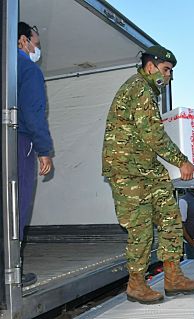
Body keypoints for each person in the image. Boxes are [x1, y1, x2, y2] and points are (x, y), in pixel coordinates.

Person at [102, 45, 194, 304]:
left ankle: (173, 277)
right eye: (166, 69)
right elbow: (153, 134)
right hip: (128, 171)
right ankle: (136, 284)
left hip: (147, 169)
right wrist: (182, 161)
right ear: (151, 67)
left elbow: (150, 137)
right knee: (141, 228)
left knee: (171, 218)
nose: (169, 75)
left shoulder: (148, 90)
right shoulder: (140, 87)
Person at [17, 22, 54, 286]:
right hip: (19, 142)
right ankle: (11, 272)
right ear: (23, 41)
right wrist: (44, 150)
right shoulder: (29, 70)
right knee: (17, 205)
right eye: (36, 43)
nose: (37, 48)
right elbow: (33, 113)